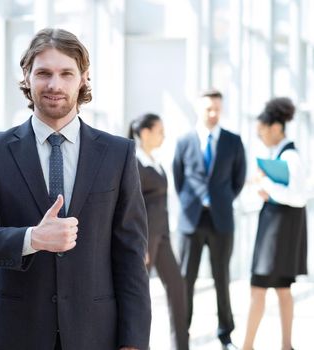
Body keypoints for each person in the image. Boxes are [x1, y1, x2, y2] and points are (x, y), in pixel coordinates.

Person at [0, 28, 151, 350]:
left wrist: (134, 341)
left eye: (66, 73)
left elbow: (130, 255)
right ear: (27, 77)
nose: (54, 85)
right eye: (43, 73)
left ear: (83, 78)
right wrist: (32, 238)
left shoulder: (118, 154)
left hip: (95, 333)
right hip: (15, 332)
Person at [172, 89, 246, 350]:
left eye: (217, 108)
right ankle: (183, 334)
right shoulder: (184, 141)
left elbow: (238, 180)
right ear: (198, 110)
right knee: (185, 280)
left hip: (221, 221)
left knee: (222, 278)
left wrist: (221, 201)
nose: (213, 114)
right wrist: (194, 203)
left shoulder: (233, 141)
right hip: (191, 221)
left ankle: (226, 334)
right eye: (208, 109)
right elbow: (178, 178)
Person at [241, 97, 307, 350]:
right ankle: (286, 346)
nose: (261, 138)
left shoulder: (290, 156)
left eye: (262, 132)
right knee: (281, 288)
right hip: (279, 231)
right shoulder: (284, 154)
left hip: (277, 234)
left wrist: (265, 185)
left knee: (259, 287)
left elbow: (298, 196)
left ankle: (249, 346)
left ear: (276, 128)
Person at [129, 113, 188, 350]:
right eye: (159, 131)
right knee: (140, 297)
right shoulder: (134, 162)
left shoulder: (154, 160)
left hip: (162, 236)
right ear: (145, 133)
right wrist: (138, 244)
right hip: (145, 239)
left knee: (177, 287)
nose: (163, 136)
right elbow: (132, 207)